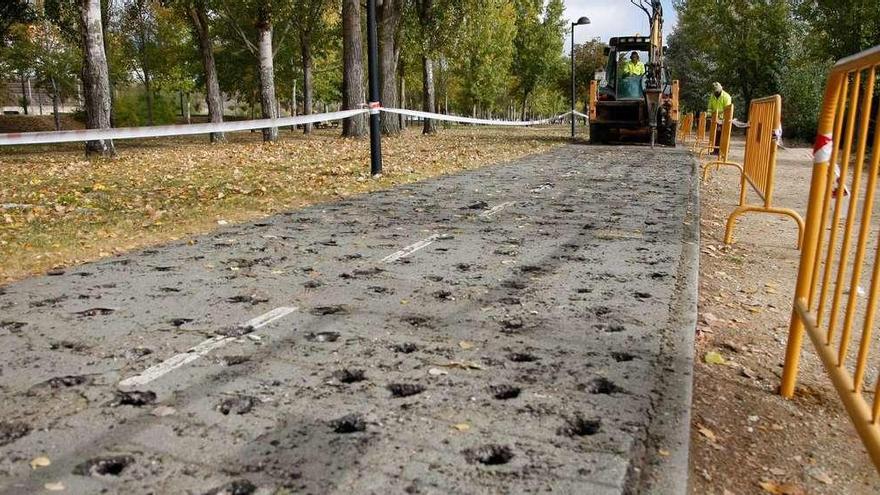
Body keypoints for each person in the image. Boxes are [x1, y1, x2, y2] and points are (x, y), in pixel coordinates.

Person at [707, 82, 732, 154]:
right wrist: (709, 116)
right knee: (716, 135)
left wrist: (719, 115)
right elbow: (709, 107)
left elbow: (727, 109)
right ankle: (716, 150)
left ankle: (724, 150)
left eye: (717, 91)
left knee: (723, 135)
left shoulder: (726, 96)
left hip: (724, 119)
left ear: (721, 89)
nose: (716, 93)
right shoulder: (712, 96)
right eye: (715, 91)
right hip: (715, 119)